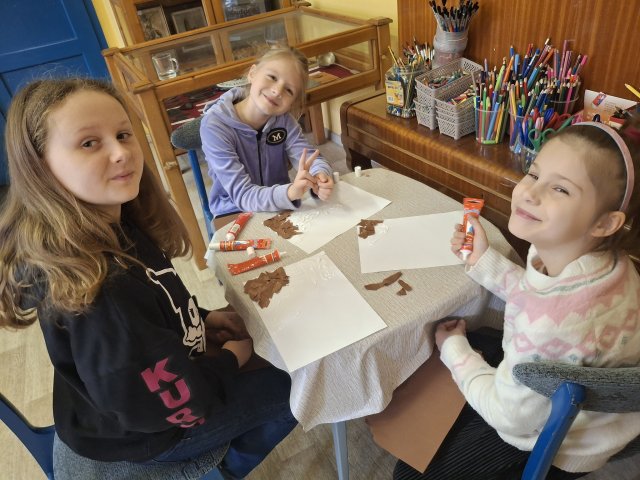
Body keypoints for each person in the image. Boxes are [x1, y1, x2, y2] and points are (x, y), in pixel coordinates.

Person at [0, 78, 297, 480]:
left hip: (127, 399)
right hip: (152, 434)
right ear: (41, 166)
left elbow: (156, 302)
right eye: (89, 143)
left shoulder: (113, 219)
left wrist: (202, 318)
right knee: (296, 387)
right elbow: (170, 407)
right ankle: (218, 469)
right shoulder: (106, 294)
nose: (121, 152)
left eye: (123, 134)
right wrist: (232, 359)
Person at [394, 117, 640, 480]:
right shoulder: (611, 262)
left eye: (561, 189)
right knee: (479, 343)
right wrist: (482, 260)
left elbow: (507, 415)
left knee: (408, 473)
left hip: (560, 439)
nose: (529, 193)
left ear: (605, 223)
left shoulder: (550, 327)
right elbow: (537, 298)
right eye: (534, 173)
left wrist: (454, 350)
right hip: (593, 410)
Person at [200, 46, 334, 222]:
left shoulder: (284, 121)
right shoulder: (215, 126)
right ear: (252, 73)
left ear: (292, 102)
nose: (277, 91)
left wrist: (320, 175)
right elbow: (243, 195)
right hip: (233, 212)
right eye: (272, 77)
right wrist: (289, 192)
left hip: (278, 207)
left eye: (289, 90)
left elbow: (310, 158)